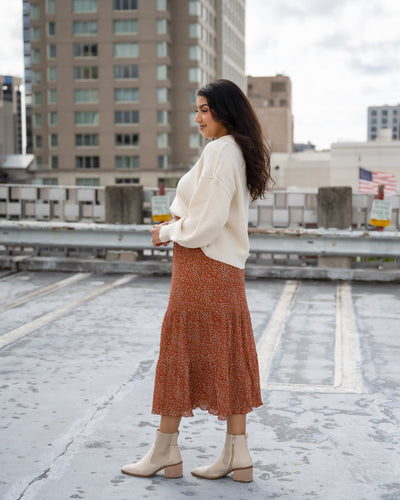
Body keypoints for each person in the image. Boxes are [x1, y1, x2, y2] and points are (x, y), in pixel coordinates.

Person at [121, 79, 272, 482]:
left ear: (225, 111)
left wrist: (167, 231)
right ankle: (237, 453)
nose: (198, 117)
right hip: (223, 268)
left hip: (201, 265)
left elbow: (206, 222)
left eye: (205, 109)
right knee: (229, 351)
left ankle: (165, 450)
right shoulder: (235, 150)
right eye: (197, 110)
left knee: (179, 350)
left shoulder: (220, 151)